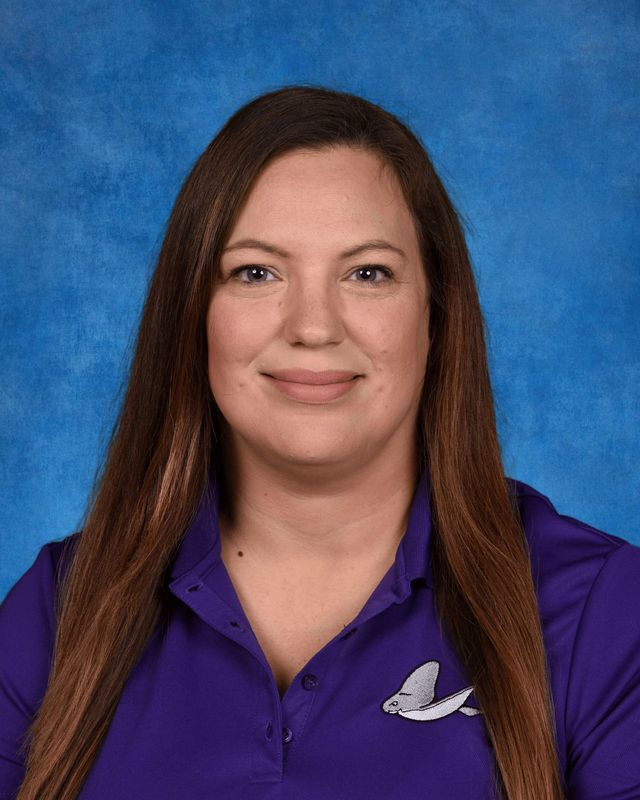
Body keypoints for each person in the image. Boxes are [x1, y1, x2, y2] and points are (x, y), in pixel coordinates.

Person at [1, 86, 639, 800]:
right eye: (256, 272)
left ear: (436, 314)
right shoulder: (60, 609)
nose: (312, 326)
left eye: (367, 273)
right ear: (193, 313)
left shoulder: (603, 611)